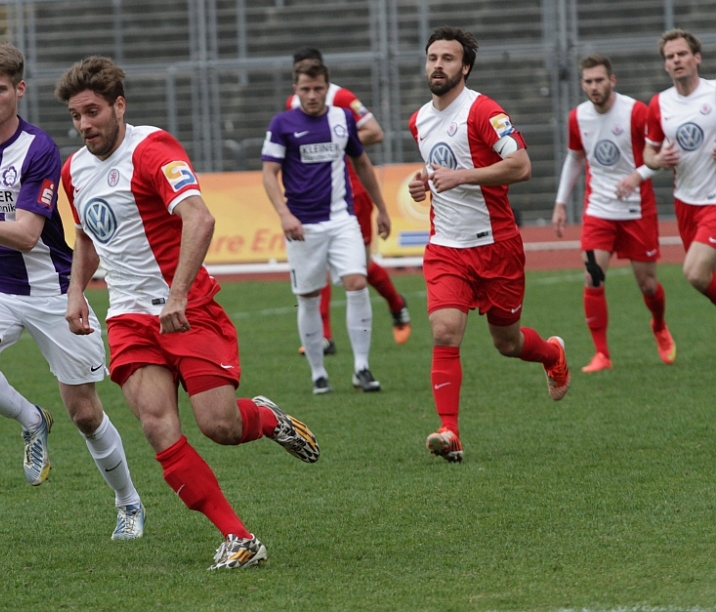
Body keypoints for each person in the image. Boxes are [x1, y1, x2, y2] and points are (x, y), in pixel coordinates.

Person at [56, 55, 320, 570]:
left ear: (119, 105)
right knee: (158, 426)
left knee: (218, 425)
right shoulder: (74, 171)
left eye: (92, 111)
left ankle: (265, 417)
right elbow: (86, 237)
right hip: (130, 318)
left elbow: (199, 218)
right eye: (75, 116)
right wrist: (75, 294)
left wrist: (176, 295)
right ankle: (239, 537)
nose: (85, 124)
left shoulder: (152, 149)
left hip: (187, 307)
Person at [0, 42, 144, 540]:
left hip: (51, 290)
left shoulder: (38, 149)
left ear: (19, 90)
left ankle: (128, 502)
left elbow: (26, 234)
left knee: (84, 412)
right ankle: (32, 418)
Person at [408, 26, 570, 463]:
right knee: (444, 332)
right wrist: (424, 183)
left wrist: (459, 177)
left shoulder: (484, 111)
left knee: (507, 342)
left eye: (447, 58)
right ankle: (450, 431)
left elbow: (520, 165)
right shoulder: (419, 120)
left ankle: (552, 353)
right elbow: (440, 167)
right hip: (446, 246)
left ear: (465, 67)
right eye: (432, 57)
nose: (437, 65)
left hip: (496, 246)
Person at [262, 59, 391, 395]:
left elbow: (362, 163)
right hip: (303, 226)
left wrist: (383, 208)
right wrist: (284, 214)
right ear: (296, 90)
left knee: (356, 281)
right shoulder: (282, 124)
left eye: (318, 88)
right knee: (307, 297)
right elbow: (268, 173)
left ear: (327, 88)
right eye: (305, 89)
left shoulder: (342, 118)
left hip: (341, 218)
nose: (312, 95)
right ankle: (318, 372)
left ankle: (362, 367)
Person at [552, 54, 676, 372]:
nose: (594, 86)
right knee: (593, 278)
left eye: (599, 80)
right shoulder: (577, 117)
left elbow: (658, 157)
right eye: (588, 81)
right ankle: (602, 354)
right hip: (599, 211)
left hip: (638, 210)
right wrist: (561, 202)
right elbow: (575, 158)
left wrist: (637, 177)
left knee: (648, 284)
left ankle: (659, 326)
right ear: (582, 84)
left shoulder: (636, 112)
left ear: (612, 80)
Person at [285, 48, 411, 356]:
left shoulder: (341, 99)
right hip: (315, 198)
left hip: (352, 193)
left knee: (360, 268)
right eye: (303, 80)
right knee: (318, 265)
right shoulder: (293, 104)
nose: (310, 90)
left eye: (315, 81)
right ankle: (324, 337)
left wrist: (334, 138)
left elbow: (375, 132)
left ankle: (397, 304)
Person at [643, 29, 716, 309]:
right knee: (708, 275)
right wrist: (658, 160)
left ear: (697, 58)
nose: (676, 60)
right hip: (686, 202)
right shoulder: (659, 103)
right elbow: (649, 151)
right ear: (665, 64)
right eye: (670, 56)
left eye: (682, 54)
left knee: (695, 273)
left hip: (714, 201)